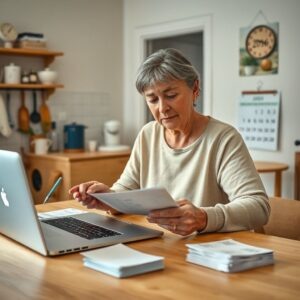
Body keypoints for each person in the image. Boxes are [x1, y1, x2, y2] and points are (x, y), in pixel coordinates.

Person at [69, 48, 270, 236]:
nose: (162, 108)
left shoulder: (223, 138)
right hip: (163, 246)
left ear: (195, 89)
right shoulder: (148, 134)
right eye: (153, 100)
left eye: (171, 95)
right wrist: (109, 199)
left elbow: (258, 207)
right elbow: (127, 189)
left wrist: (204, 218)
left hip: (211, 254)